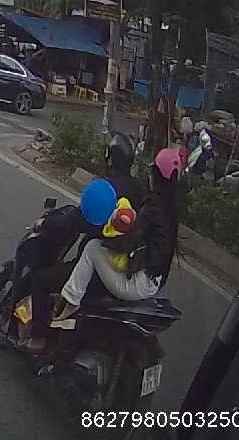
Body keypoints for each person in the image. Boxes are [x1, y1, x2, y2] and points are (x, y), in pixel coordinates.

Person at [20, 148, 181, 354]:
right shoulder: (161, 202)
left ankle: (41, 334)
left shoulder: (120, 197)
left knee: (49, 274)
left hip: (134, 280)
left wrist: (111, 231)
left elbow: (73, 223)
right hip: (152, 280)